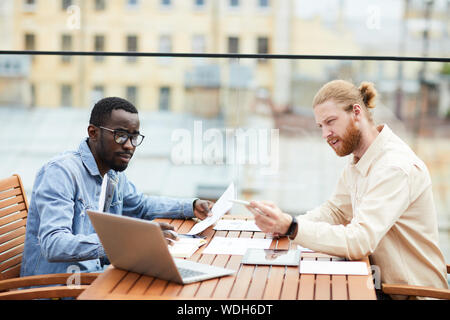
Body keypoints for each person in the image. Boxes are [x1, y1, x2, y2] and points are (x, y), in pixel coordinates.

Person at [247, 80, 448, 299]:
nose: (325, 134)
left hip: (412, 294)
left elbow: (359, 241)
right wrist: (288, 223)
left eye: (331, 122)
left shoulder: (394, 168)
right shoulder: (361, 159)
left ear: (356, 112)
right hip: (380, 283)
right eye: (321, 126)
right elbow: (335, 211)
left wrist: (292, 228)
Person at [21, 97, 213, 277]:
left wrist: (191, 206)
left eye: (134, 137)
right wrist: (131, 241)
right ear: (93, 133)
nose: (129, 145)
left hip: (95, 276)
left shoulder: (112, 172)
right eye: (121, 136)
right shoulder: (61, 173)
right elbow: (54, 244)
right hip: (57, 288)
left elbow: (141, 206)